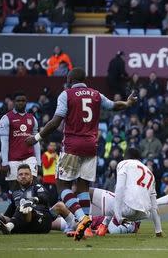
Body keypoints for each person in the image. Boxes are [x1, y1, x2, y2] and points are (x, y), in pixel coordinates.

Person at [25, 67, 138, 241]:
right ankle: (86, 229)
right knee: (83, 186)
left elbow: (56, 121)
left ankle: (81, 218)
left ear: (70, 80)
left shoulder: (66, 94)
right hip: (91, 146)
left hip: (72, 146)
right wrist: (128, 103)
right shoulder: (96, 94)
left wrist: (37, 137)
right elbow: (114, 106)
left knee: (62, 185)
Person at [112, 148, 163, 237]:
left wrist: (118, 216)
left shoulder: (124, 163)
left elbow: (119, 188)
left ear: (126, 156)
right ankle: (132, 225)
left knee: (92, 192)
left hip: (127, 209)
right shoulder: (150, 172)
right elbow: (154, 206)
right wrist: (158, 230)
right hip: (143, 214)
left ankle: (96, 226)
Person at [0, 164, 53, 234]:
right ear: (17, 178)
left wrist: (34, 199)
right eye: (21, 174)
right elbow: (10, 210)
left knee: (24, 205)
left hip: (41, 221)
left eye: (26, 174)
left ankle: (9, 226)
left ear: (31, 177)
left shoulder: (37, 187)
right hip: (23, 224)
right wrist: (1, 218)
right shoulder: (15, 193)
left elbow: (45, 197)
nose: (23, 176)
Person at [0, 92, 41, 191]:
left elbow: (36, 141)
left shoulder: (32, 118)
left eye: (23, 101)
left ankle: (30, 206)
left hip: (30, 157)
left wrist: (38, 162)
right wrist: (4, 162)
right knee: (15, 189)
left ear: (26, 102)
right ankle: (16, 206)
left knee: (32, 185)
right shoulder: (6, 118)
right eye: (18, 101)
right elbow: (4, 142)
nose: (21, 103)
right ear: (14, 102)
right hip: (13, 159)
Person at [41, 142, 59, 206]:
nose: (53, 147)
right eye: (51, 145)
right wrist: (52, 158)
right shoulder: (45, 155)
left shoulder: (56, 155)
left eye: (54, 146)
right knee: (47, 195)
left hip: (55, 178)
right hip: (47, 179)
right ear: (47, 146)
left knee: (55, 196)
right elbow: (46, 165)